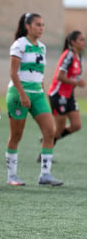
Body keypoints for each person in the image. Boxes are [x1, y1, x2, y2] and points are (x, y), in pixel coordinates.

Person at [5, 13, 63, 186]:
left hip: (37, 94)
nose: (41, 28)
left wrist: (42, 92)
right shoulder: (19, 44)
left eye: (43, 25)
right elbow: (13, 72)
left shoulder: (42, 47)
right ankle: (12, 176)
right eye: (38, 24)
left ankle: (45, 174)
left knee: (49, 132)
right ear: (28, 26)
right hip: (18, 92)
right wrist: (22, 94)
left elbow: (39, 73)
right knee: (16, 135)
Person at [37, 31, 85, 161]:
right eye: (81, 40)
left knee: (76, 125)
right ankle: (44, 153)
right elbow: (59, 76)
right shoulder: (68, 55)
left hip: (69, 95)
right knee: (59, 128)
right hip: (58, 95)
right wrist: (76, 82)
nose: (83, 42)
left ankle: (47, 139)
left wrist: (75, 83)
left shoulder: (78, 56)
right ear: (73, 42)